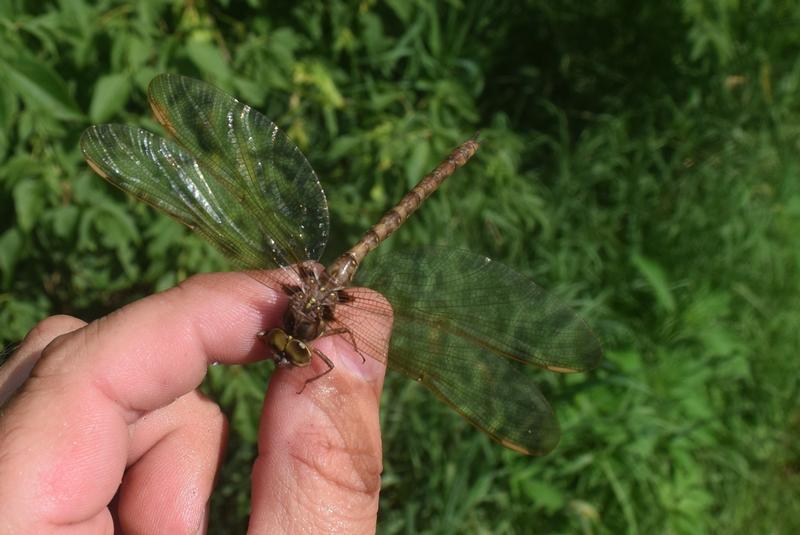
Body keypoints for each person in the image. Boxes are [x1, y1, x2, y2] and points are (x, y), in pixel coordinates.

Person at [0, 272, 390, 533]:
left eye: (290, 353)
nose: (283, 357)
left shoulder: (325, 329)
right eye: (282, 347)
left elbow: (329, 363)